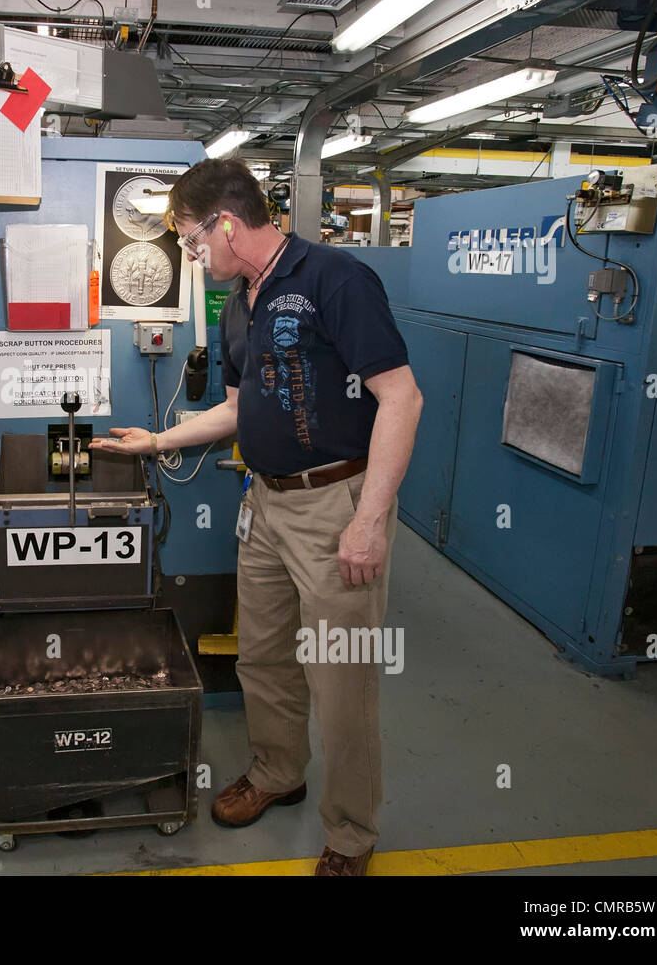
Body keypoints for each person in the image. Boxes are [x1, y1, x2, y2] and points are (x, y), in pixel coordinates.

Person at [91, 158, 422, 876]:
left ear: (227, 226)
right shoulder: (239, 303)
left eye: (189, 239)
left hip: (337, 504)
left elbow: (401, 399)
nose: (189, 253)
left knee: (342, 678)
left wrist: (369, 521)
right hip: (266, 505)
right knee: (263, 658)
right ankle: (278, 771)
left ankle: (352, 833)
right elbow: (238, 410)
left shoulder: (335, 279)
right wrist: (159, 440)